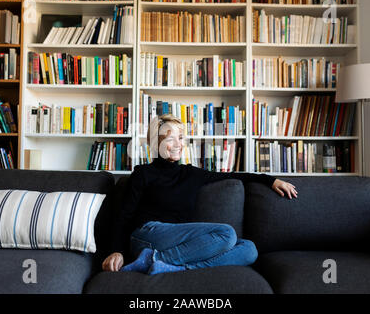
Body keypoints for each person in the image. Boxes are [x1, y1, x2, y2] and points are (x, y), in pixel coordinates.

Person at [102, 114, 298, 275]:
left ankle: (167, 266)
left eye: (180, 138)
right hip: (147, 235)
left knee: (249, 249)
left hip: (180, 243)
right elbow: (124, 215)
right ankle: (151, 259)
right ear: (156, 142)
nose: (178, 144)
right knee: (226, 233)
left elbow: (234, 175)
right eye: (170, 138)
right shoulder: (143, 173)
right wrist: (116, 251)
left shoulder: (192, 174)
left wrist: (271, 180)